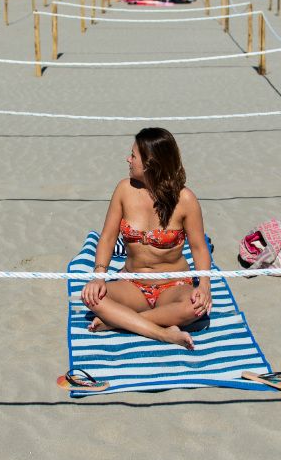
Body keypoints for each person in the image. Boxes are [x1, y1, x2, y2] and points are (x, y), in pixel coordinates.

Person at [80, 128, 212, 350]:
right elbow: (108, 237)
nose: (128, 159)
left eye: (133, 156)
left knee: (195, 308)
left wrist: (205, 286)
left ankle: (118, 322)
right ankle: (163, 333)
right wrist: (98, 276)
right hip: (132, 283)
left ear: (150, 164)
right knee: (91, 297)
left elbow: (199, 248)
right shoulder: (124, 190)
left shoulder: (185, 199)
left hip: (173, 285)